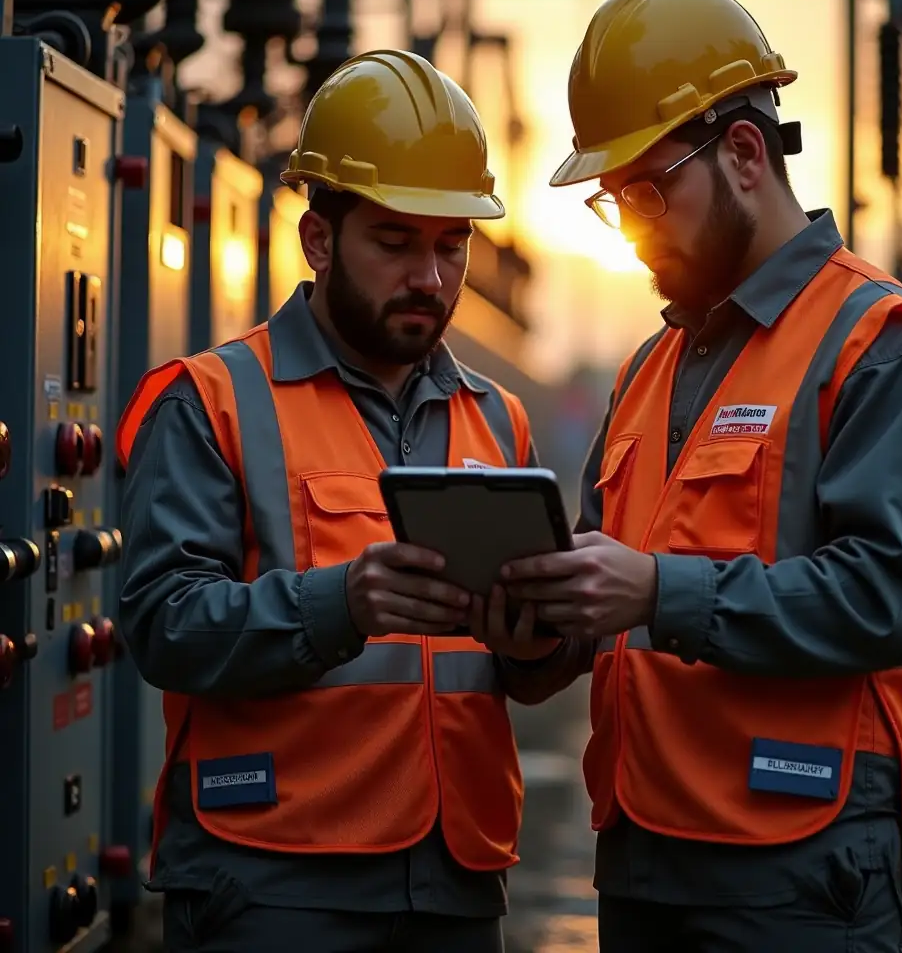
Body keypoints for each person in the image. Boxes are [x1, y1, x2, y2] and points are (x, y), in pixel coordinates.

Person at [500, 0, 902, 952]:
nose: (633, 224)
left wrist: (654, 592)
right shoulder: (650, 368)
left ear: (742, 151)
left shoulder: (881, 346)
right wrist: (526, 624)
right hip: (642, 855)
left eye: (648, 189)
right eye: (614, 200)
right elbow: (608, 593)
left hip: (798, 869)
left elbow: (882, 600)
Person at [114, 49, 570, 953]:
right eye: (395, 243)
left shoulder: (497, 418)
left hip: (454, 883)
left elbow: (517, 672)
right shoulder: (212, 401)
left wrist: (540, 644)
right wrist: (342, 602)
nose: (430, 279)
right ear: (319, 241)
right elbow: (162, 623)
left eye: (451, 246)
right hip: (275, 882)